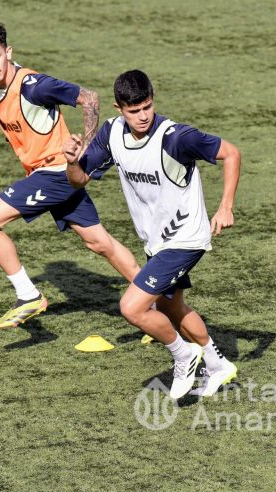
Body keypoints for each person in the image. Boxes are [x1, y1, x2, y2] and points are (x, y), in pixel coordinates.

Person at [0, 20, 138, 329]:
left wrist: (85, 155)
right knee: (100, 243)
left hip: (54, 174)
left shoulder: (33, 85)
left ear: (8, 52)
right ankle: (157, 303)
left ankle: (28, 295)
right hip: (52, 176)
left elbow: (89, 98)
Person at [63, 70, 241, 399]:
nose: (143, 116)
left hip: (185, 238)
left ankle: (184, 355)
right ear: (119, 109)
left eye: (147, 107)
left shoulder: (176, 137)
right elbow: (79, 179)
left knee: (131, 307)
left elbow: (231, 153)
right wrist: (72, 161)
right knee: (171, 307)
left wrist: (225, 206)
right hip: (156, 241)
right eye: (134, 110)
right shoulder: (112, 134)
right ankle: (218, 365)